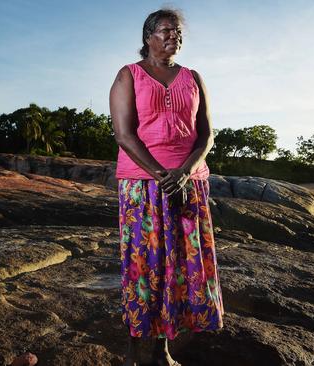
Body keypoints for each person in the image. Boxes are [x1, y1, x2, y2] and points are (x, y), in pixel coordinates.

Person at [109, 8, 224, 366]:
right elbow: (124, 134)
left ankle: (162, 351)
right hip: (143, 183)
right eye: (166, 31)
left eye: (178, 32)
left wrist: (186, 172)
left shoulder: (193, 77)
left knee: (180, 267)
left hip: (188, 183)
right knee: (144, 266)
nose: (174, 36)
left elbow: (206, 135)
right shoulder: (130, 75)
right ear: (148, 36)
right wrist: (162, 175)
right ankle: (133, 351)